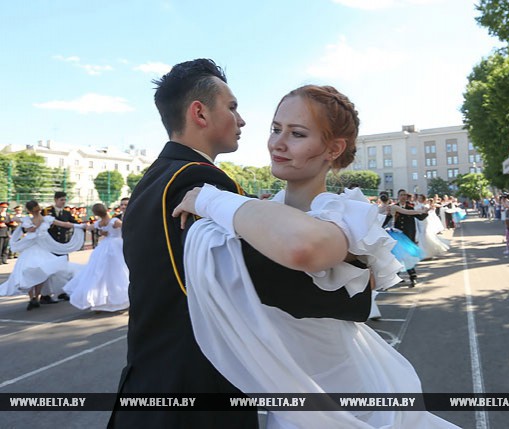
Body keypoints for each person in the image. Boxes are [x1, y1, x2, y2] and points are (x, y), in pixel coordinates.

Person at [173, 84, 458, 428]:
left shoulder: (346, 212)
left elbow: (304, 248)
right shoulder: (259, 214)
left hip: (349, 398)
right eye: (276, 129)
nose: (278, 142)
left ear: (332, 148)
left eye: (297, 133)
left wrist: (209, 200)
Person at [108, 59, 372, 429]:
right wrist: (360, 286)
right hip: (193, 395)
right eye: (232, 107)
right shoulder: (196, 181)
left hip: (154, 382)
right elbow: (257, 279)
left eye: (295, 133)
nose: (243, 120)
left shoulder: (156, 177)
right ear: (199, 113)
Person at [0, 200, 85, 310]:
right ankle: (36, 296)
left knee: (28, 272)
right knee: (41, 272)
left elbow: (13, 219)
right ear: (39, 208)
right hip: (41, 250)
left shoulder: (27, 220)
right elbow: (64, 224)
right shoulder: (45, 219)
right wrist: (80, 226)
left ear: (28, 210)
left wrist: (24, 226)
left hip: (29, 251)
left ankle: (32, 298)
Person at [63, 203, 129, 312]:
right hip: (116, 246)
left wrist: (69, 224)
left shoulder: (99, 223)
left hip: (104, 247)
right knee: (120, 272)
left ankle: (99, 301)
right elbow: (127, 227)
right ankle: (121, 298)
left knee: (101, 274)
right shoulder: (114, 222)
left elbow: (85, 226)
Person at [392, 189, 428, 287]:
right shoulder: (394, 207)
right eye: (401, 195)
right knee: (397, 257)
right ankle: (397, 277)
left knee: (408, 257)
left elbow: (420, 218)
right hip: (397, 237)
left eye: (405, 195)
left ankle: (413, 277)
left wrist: (425, 212)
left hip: (408, 236)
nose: (403, 196)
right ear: (398, 196)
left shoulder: (411, 207)